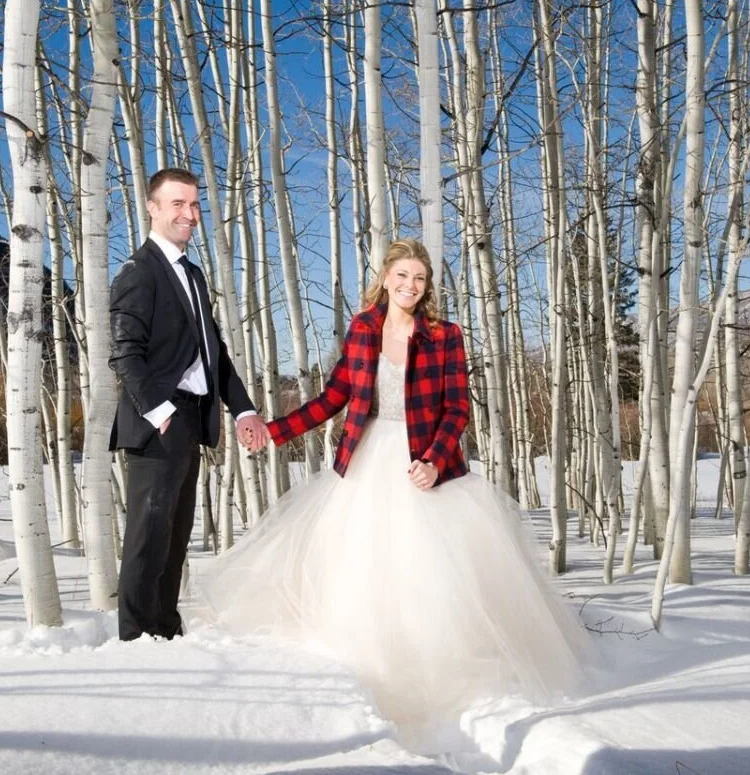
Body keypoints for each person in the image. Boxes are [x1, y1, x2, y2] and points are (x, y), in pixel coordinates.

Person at [199, 239, 594, 741]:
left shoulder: (444, 335)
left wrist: (432, 460)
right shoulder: (363, 328)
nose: (410, 286)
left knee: (427, 571)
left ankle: (437, 676)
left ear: (428, 286)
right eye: (402, 275)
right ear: (385, 277)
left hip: (425, 464)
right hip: (368, 461)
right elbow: (335, 396)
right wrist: (274, 431)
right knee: (363, 566)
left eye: (420, 279)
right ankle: (361, 671)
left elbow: (457, 409)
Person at [109, 167, 268, 642]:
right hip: (158, 422)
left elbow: (212, 352)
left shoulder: (192, 274)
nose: (189, 214)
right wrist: (159, 412)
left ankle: (164, 629)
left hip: (191, 419)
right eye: (177, 203)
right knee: (146, 537)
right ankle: (135, 639)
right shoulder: (139, 272)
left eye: (194, 204)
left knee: (175, 537)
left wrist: (243, 409)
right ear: (153, 208)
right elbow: (124, 354)